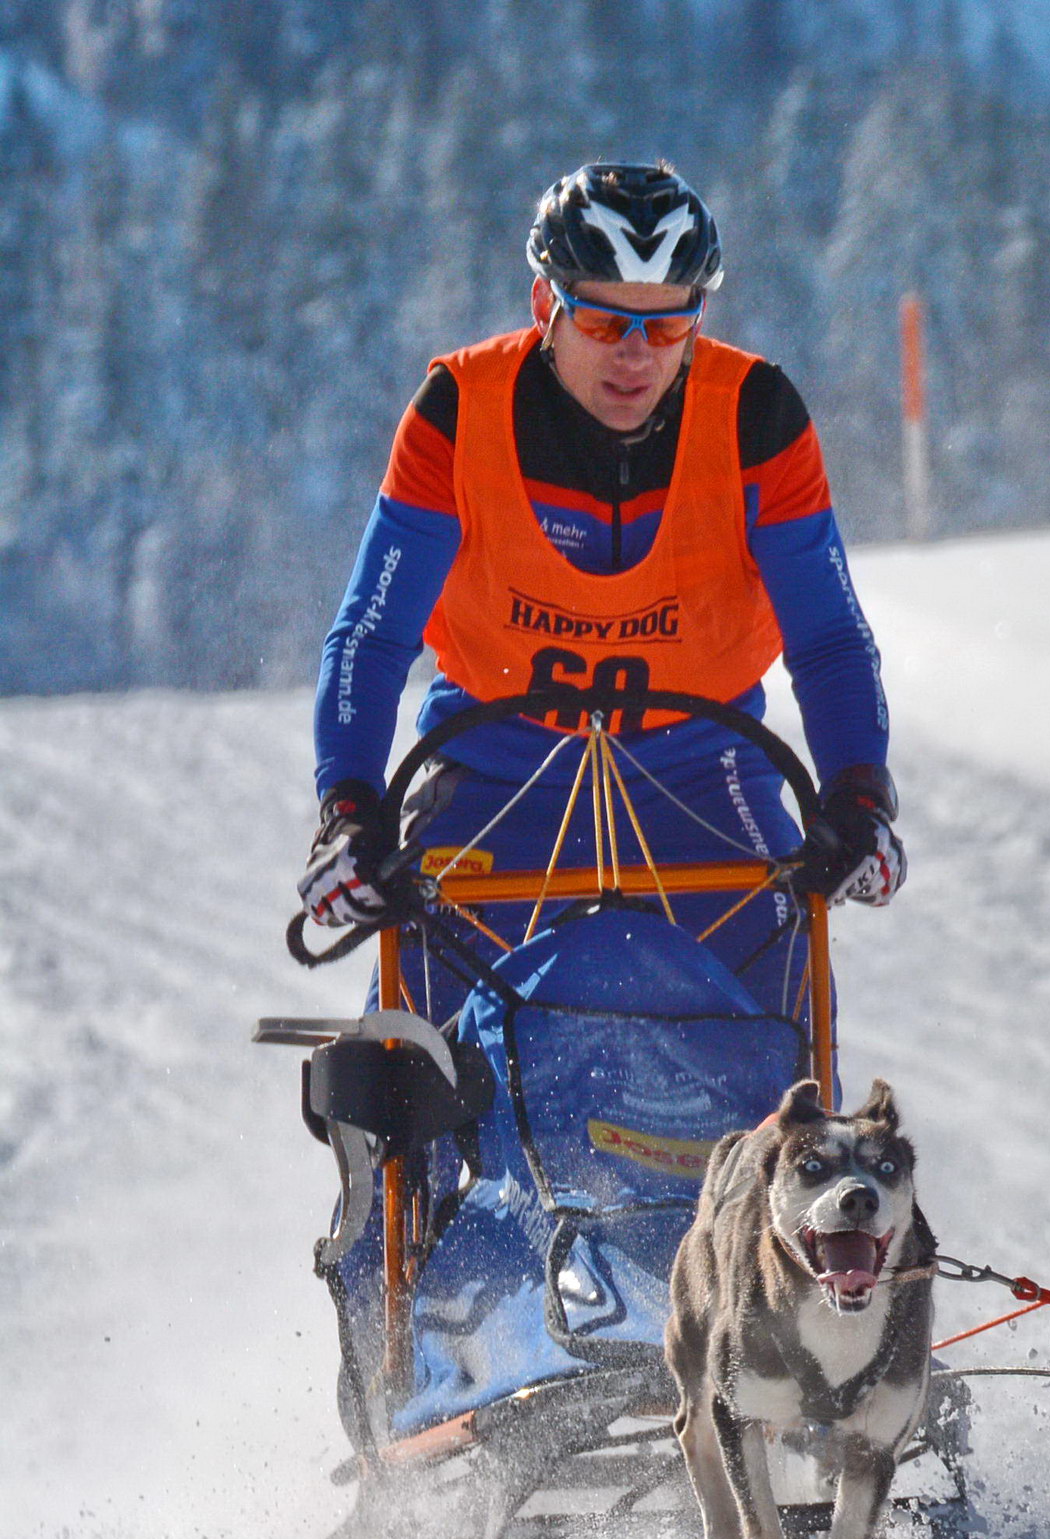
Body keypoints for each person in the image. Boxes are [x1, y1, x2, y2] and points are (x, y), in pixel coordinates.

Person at [301, 160, 900, 1024]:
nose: (635, 355)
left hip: (700, 776)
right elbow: (372, 633)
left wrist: (860, 797)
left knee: (788, 1045)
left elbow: (830, 640)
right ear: (544, 305)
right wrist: (350, 812)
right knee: (400, 1061)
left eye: (668, 325)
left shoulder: (757, 418)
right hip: (499, 773)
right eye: (604, 320)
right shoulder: (457, 413)